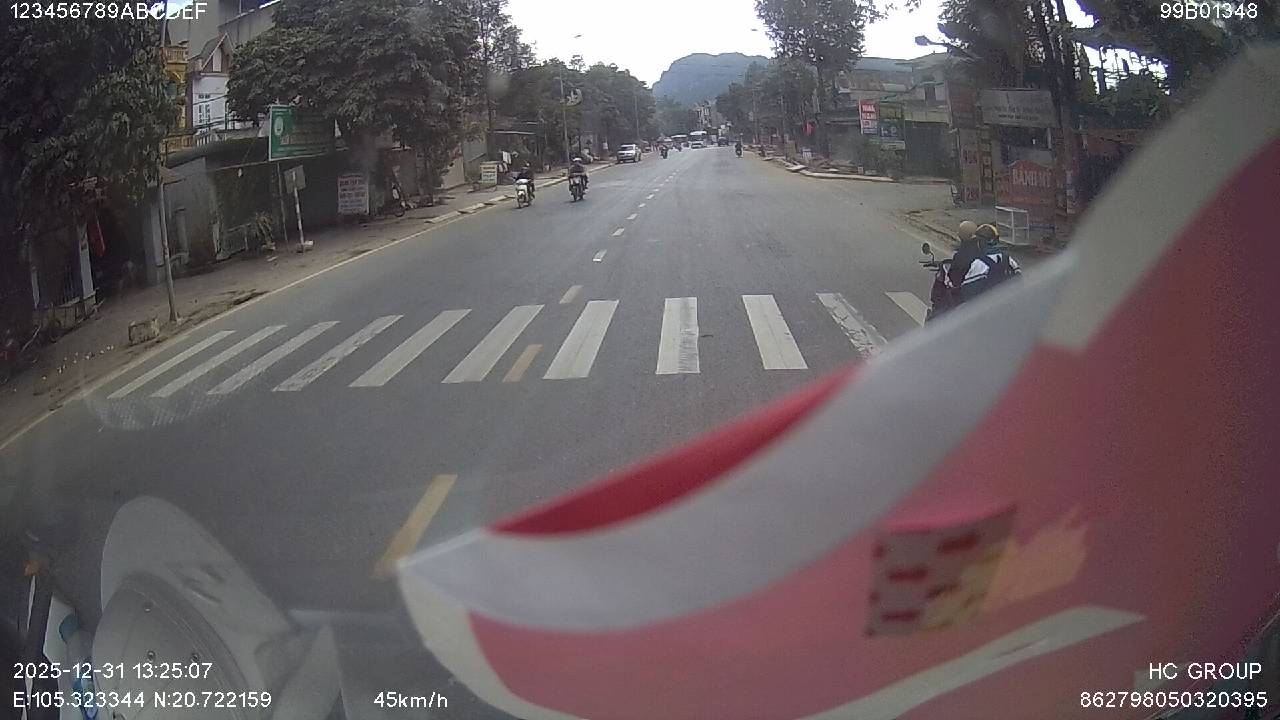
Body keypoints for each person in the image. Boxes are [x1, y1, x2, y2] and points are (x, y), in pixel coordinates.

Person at [948, 222, 1019, 301]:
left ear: (980, 242)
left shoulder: (980, 263)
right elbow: (1019, 279)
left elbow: (967, 290)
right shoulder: (1008, 258)